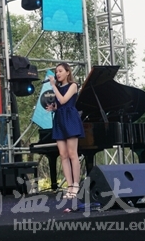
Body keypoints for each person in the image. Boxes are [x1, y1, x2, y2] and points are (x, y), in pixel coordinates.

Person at [45, 62, 85, 199]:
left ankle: (76, 184)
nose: (57, 74)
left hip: (70, 119)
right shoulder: (58, 87)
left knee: (73, 153)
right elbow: (59, 105)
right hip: (59, 119)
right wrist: (53, 108)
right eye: (56, 72)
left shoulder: (73, 85)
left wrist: (53, 86)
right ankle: (69, 185)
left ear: (68, 72)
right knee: (63, 155)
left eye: (60, 71)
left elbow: (63, 100)